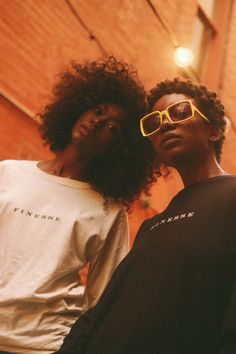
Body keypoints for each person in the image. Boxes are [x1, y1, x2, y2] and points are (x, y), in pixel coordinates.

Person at [56, 78, 236, 354]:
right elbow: (105, 308)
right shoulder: (152, 225)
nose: (164, 124)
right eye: (154, 122)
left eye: (179, 113)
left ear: (213, 131)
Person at [0, 56, 159, 354]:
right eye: (98, 111)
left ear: (120, 147)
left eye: (112, 127)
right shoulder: (7, 173)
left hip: (42, 346)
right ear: (79, 106)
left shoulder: (106, 211)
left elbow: (104, 303)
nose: (98, 122)